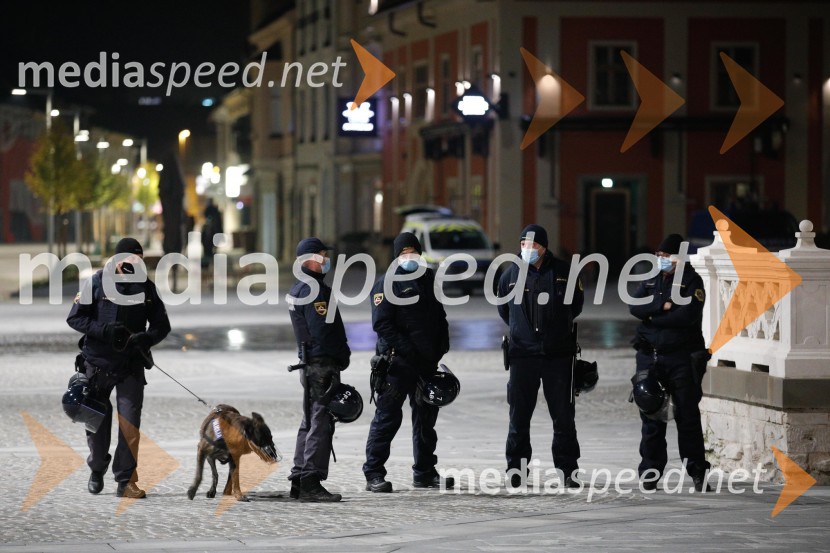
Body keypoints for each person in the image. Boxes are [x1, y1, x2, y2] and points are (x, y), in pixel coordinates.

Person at [67, 237, 171, 498]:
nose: (134, 263)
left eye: (138, 258)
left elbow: (162, 325)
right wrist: (103, 330)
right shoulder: (96, 282)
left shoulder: (146, 288)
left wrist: (146, 338)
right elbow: (75, 317)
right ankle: (97, 466)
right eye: (129, 258)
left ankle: (125, 481)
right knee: (96, 422)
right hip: (97, 364)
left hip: (130, 365)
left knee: (130, 424)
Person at [363, 232, 453, 492]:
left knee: (426, 420)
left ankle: (425, 472)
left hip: (426, 363)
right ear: (397, 256)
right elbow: (382, 324)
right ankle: (373, 473)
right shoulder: (385, 283)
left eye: (413, 251)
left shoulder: (428, 279)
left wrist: (441, 345)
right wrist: (408, 351)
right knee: (387, 419)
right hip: (397, 364)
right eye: (404, 253)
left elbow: (439, 314)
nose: (409, 256)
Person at [497, 224, 584, 488]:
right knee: (519, 416)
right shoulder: (510, 273)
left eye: (533, 245)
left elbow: (576, 306)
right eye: (524, 244)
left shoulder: (564, 272)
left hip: (558, 355)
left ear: (544, 247)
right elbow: (504, 309)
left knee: (563, 417)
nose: (527, 249)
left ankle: (568, 470)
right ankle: (516, 469)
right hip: (523, 355)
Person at [629, 233, 711, 491]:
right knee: (651, 417)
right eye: (659, 255)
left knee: (687, 418)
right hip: (650, 357)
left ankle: (698, 473)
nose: (661, 260)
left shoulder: (691, 281)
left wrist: (652, 317)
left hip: (682, 359)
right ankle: (650, 474)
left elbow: (686, 317)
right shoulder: (652, 279)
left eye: (666, 256)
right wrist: (661, 306)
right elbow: (634, 306)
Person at [287, 237, 350, 502]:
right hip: (321, 364)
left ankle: (299, 477)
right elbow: (323, 331)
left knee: (309, 419)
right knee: (320, 422)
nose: (326, 260)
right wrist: (342, 355)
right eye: (322, 255)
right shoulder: (315, 291)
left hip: (309, 362)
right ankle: (311, 480)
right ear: (309, 259)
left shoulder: (299, 288)